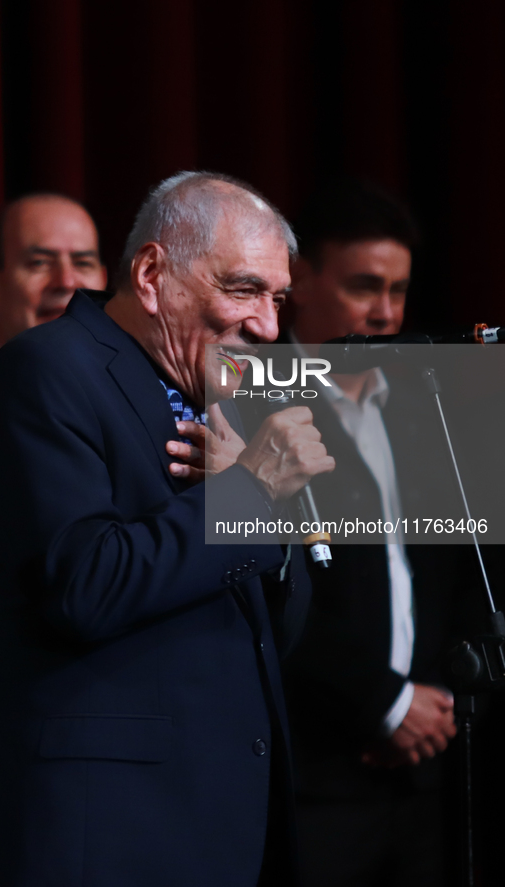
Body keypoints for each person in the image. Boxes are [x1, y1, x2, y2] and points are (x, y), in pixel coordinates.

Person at [0, 171, 335, 887]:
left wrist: (263, 517)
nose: (267, 325)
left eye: (277, 298)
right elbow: (83, 585)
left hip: (219, 826)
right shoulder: (46, 371)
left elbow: (267, 634)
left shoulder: (221, 400)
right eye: (244, 289)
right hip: (110, 835)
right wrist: (246, 493)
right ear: (153, 274)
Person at [281, 179, 461, 886]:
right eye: (363, 286)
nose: (384, 312)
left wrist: (430, 699)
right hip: (316, 775)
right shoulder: (251, 399)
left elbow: (453, 570)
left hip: (424, 773)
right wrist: (383, 703)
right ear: (299, 278)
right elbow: (274, 591)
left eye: (397, 289)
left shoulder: (426, 401)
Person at [0, 193, 107, 366]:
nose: (66, 282)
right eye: (39, 263)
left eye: (83, 263)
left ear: (104, 281)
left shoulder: (133, 383)